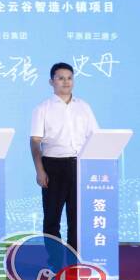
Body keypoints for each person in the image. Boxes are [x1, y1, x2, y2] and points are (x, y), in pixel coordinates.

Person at [30, 62, 99, 251]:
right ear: (51, 82)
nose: (66, 82)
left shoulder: (84, 107)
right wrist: (40, 170)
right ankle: (55, 260)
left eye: (69, 78)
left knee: (77, 217)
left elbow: (94, 136)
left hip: (79, 165)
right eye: (60, 78)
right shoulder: (42, 108)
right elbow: (35, 142)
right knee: (52, 218)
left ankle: (74, 260)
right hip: (53, 166)